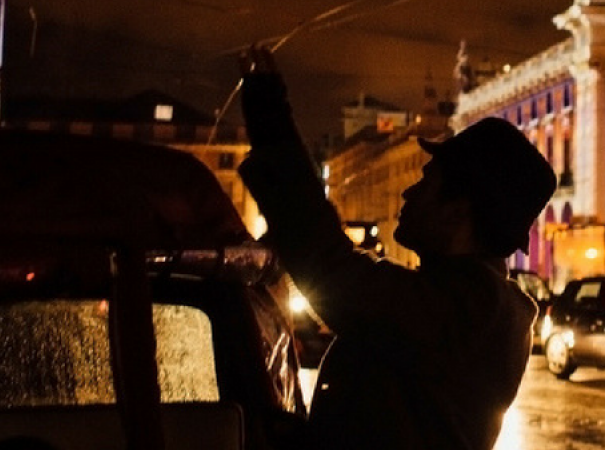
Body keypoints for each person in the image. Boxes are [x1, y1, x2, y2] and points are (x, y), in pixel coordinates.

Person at [235, 45, 558, 450]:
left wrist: (271, 120)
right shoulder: (466, 299)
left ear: (458, 211)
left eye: (427, 181)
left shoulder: (475, 310)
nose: (408, 192)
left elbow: (335, 272)